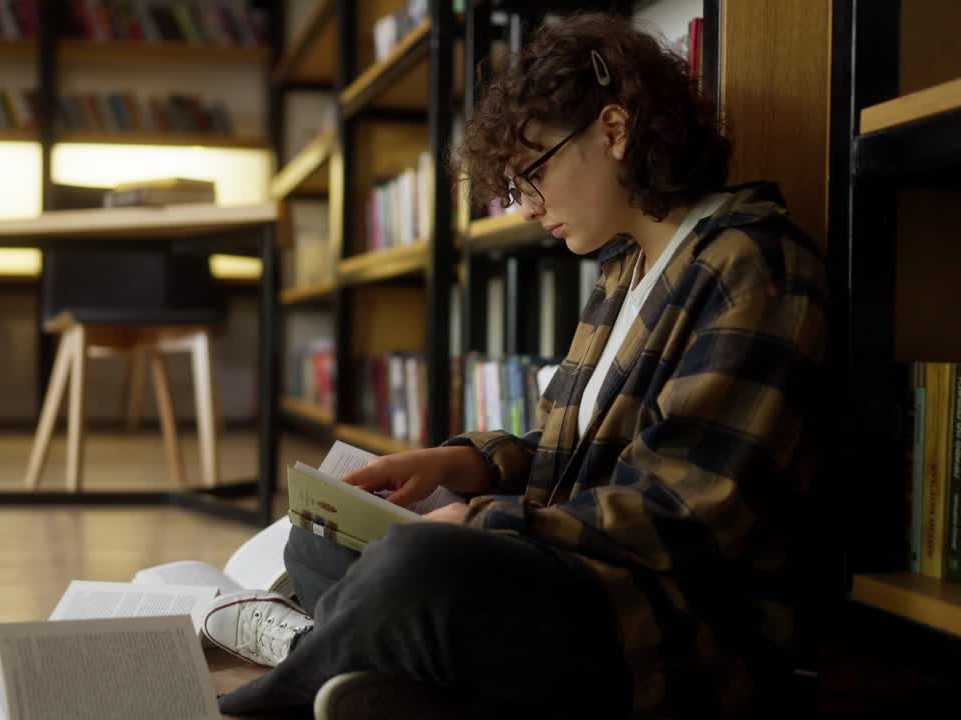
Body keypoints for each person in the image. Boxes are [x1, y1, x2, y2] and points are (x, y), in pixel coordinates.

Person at [203, 11, 827, 719]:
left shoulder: (754, 263)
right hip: (571, 573)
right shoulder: (625, 270)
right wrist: (464, 465)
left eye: (532, 175)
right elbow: (574, 459)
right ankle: (396, 677)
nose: (527, 208)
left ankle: (278, 696)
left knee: (415, 569)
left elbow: (685, 515)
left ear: (614, 131)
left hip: (661, 625)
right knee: (319, 536)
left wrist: (482, 522)